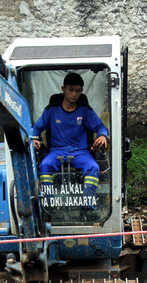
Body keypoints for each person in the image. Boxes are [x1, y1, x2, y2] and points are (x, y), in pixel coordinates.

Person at [30, 72, 109, 207]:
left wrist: (102, 135)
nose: (74, 94)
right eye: (71, 90)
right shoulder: (51, 110)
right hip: (57, 151)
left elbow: (101, 126)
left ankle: (87, 205)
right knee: (44, 166)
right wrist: (34, 139)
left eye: (77, 91)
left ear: (81, 92)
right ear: (63, 89)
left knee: (93, 167)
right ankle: (49, 204)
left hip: (80, 152)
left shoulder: (85, 110)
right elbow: (36, 128)